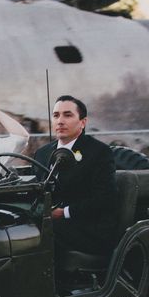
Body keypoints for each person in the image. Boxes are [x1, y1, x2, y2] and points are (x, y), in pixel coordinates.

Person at [34, 95, 117, 254]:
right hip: (50, 222)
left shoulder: (98, 152)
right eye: (56, 115)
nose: (60, 121)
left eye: (68, 115)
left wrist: (64, 212)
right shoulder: (42, 154)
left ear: (83, 122)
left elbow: (106, 198)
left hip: (88, 228)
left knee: (38, 231)